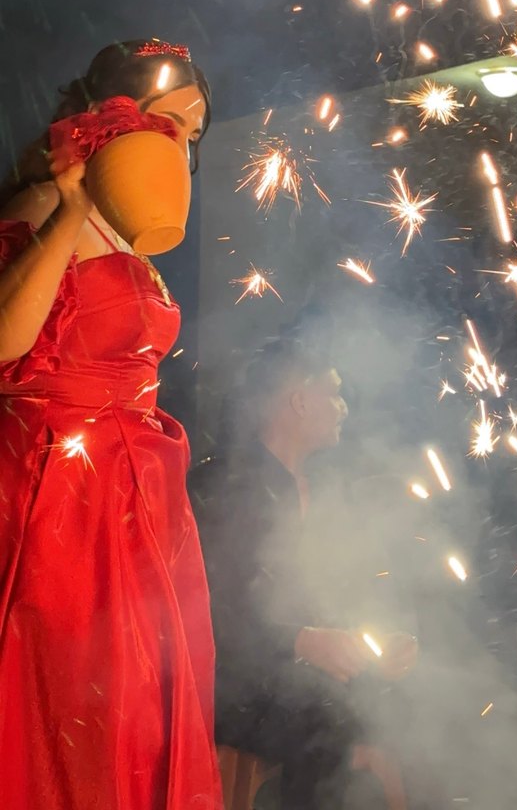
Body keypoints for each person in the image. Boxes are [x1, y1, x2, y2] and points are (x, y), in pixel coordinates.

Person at [0, 40, 222, 810]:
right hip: (63, 495)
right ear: (109, 116)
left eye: (193, 133)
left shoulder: (134, 232)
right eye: (167, 121)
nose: (179, 144)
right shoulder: (42, 207)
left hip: (139, 498)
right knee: (73, 705)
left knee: (142, 705)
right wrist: (71, 208)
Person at [191, 337, 417, 810]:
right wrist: (302, 641)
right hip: (233, 683)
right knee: (326, 728)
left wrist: (377, 647)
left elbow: (335, 599)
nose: (343, 407)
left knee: (408, 707)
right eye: (334, 393)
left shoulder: (327, 489)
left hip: (301, 675)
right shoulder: (226, 486)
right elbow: (216, 613)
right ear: (298, 401)